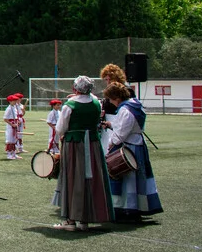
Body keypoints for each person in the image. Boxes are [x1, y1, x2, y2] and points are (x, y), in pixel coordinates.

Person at [52, 76, 114, 231]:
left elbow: (60, 129)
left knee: (73, 178)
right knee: (91, 178)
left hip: (74, 144)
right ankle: (85, 220)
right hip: (92, 144)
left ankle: (71, 220)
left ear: (75, 89)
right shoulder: (96, 103)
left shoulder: (70, 105)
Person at [103, 82, 163, 221]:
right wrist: (112, 125)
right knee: (138, 178)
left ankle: (128, 209)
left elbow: (121, 134)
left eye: (111, 99)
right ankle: (138, 206)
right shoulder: (136, 105)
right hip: (138, 144)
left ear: (117, 98)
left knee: (127, 179)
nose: (111, 102)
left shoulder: (125, 110)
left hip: (129, 147)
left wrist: (111, 144)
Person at [3, 95, 20, 160]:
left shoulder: (14, 107)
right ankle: (9, 154)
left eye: (15, 100)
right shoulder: (9, 109)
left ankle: (14, 153)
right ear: (10, 101)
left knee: (14, 140)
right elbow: (5, 119)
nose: (15, 102)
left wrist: (17, 122)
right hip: (11, 126)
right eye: (14, 101)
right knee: (10, 140)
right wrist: (12, 124)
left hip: (15, 124)